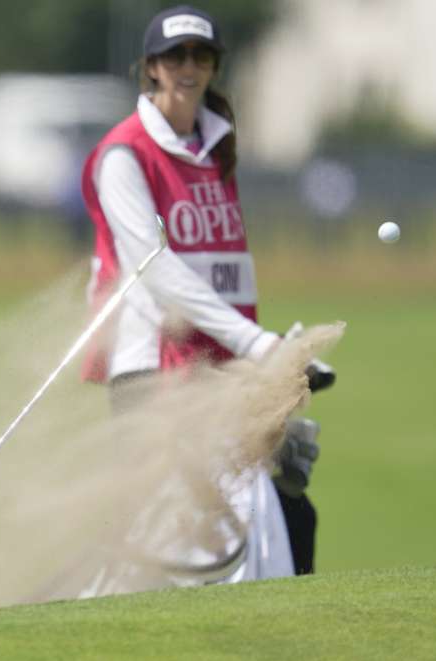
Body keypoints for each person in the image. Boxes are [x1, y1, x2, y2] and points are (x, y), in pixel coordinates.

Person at [80, 5, 323, 587]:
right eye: (175, 56)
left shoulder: (217, 148)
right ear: (151, 68)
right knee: (158, 535)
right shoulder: (125, 154)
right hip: (152, 373)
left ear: (214, 65)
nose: (188, 66)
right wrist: (261, 346)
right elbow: (157, 271)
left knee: (285, 504)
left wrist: (267, 352)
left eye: (201, 55)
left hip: (222, 365)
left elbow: (226, 270)